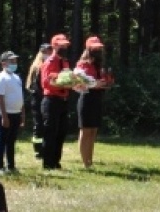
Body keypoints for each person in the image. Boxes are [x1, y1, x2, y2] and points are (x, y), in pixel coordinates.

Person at [76, 36, 114, 169]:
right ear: (88, 49)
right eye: (95, 48)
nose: (98, 51)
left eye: (99, 48)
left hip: (97, 98)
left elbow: (104, 81)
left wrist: (107, 81)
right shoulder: (82, 64)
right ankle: (85, 162)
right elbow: (80, 82)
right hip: (87, 98)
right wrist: (95, 84)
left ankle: (90, 161)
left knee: (93, 131)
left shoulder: (100, 65)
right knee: (86, 131)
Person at [38, 34, 73, 170]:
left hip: (63, 100)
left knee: (61, 132)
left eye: (65, 45)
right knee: (50, 132)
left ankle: (56, 161)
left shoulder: (65, 62)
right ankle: (48, 163)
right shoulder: (49, 62)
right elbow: (46, 83)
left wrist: (74, 83)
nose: (64, 47)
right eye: (61, 45)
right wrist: (62, 84)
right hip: (51, 101)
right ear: (54, 46)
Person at [0, 51, 24, 173]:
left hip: (16, 113)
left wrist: (22, 114)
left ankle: (11, 165)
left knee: (11, 140)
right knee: (2, 140)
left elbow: (20, 96)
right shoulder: (1, 78)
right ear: (3, 63)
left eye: (15, 61)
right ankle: (0, 166)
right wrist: (4, 117)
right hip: (4, 114)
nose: (14, 63)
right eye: (11, 61)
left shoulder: (16, 77)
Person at [25, 43, 50, 161]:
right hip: (38, 99)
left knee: (45, 124)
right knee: (39, 124)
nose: (48, 54)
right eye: (46, 52)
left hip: (44, 98)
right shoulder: (37, 67)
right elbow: (35, 86)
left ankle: (44, 148)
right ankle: (38, 150)